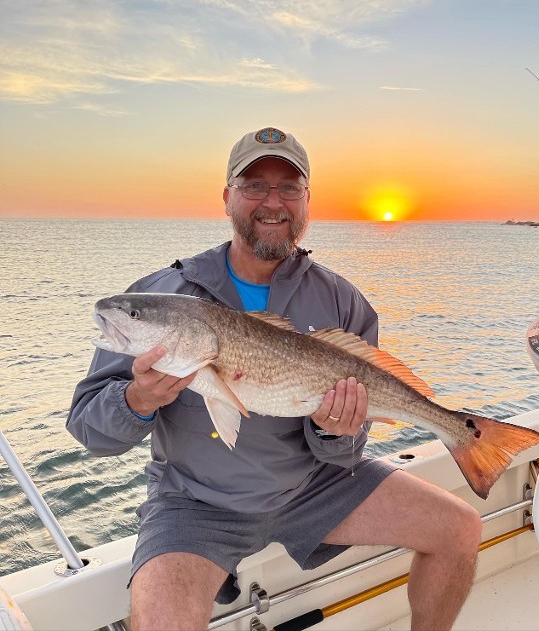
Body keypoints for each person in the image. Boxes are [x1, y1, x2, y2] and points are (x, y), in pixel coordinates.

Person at [67, 126, 482, 630]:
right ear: (227, 198)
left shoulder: (341, 301)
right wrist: (136, 399)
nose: (272, 201)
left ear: (307, 201)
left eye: (288, 187)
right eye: (254, 186)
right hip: (196, 503)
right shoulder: (163, 293)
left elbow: (346, 452)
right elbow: (88, 429)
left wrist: (335, 430)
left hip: (317, 487)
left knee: (459, 528)